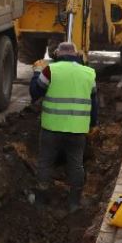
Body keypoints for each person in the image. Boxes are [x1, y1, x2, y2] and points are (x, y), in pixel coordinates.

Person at [29, 42, 98, 213]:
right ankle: (74, 203)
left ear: (57, 54)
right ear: (76, 54)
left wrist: (36, 73)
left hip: (51, 128)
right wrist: (92, 125)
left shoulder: (50, 70)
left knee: (45, 163)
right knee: (76, 165)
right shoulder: (89, 73)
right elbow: (94, 104)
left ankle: (40, 201)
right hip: (77, 130)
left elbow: (35, 92)